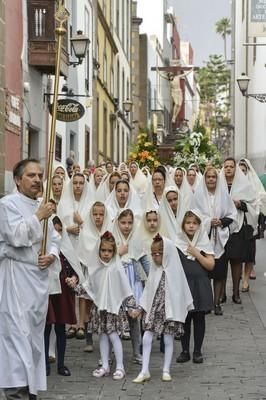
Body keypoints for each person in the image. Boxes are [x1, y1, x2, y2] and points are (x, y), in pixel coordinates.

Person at [0, 158, 60, 399]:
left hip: (37, 282)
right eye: (31, 175)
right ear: (17, 179)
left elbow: (55, 239)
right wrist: (38, 216)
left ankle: (31, 390)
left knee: (33, 339)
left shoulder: (42, 206)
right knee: (16, 336)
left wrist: (52, 255)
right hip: (15, 280)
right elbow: (16, 237)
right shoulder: (7, 205)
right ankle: (15, 391)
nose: (37, 180)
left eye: (39, 175)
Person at [70, 232, 137, 380]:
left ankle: (120, 366)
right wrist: (74, 286)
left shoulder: (116, 268)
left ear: (114, 252)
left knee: (113, 336)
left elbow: (125, 288)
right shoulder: (95, 268)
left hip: (113, 309)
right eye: (103, 250)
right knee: (102, 337)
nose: (106, 254)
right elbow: (89, 287)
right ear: (98, 250)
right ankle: (105, 365)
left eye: (109, 251)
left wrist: (132, 306)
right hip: (100, 308)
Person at [132, 235, 193, 383]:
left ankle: (166, 369)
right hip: (154, 310)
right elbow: (148, 291)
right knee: (146, 337)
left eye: (158, 254)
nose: (155, 257)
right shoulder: (154, 270)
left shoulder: (175, 271)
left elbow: (181, 292)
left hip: (169, 312)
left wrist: (183, 308)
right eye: (153, 254)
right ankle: (144, 370)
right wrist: (140, 307)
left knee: (168, 339)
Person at [192, 167, 237, 315]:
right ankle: (205, 302)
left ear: (217, 179)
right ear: (204, 179)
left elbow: (232, 214)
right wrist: (207, 221)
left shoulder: (223, 194)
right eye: (208, 177)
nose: (211, 179)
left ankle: (217, 302)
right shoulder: (198, 195)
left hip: (220, 238)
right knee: (204, 273)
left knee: (219, 273)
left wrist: (221, 221)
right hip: (204, 239)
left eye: (214, 177)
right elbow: (193, 215)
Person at [44, 216, 84, 377]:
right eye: (55, 231)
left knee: (61, 327)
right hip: (47, 291)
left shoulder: (67, 249)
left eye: (61, 230)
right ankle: (44, 363)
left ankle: (61, 364)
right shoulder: (45, 251)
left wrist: (74, 279)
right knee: (46, 328)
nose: (58, 234)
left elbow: (75, 269)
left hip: (63, 291)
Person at [176, 211, 215, 364]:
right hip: (184, 285)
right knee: (185, 319)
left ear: (199, 226)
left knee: (199, 318)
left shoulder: (203, 242)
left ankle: (197, 350)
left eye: (194, 223)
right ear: (183, 225)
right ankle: (185, 350)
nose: (191, 226)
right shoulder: (178, 243)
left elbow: (210, 265)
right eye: (188, 223)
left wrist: (196, 253)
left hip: (200, 284)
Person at [113, 209, 147, 364]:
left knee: (134, 320)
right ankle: (113, 353)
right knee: (115, 319)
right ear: (117, 223)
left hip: (133, 282)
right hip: (118, 282)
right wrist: (118, 253)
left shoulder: (137, 239)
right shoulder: (112, 239)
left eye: (129, 223)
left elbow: (144, 260)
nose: (126, 226)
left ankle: (137, 352)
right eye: (123, 223)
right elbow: (104, 260)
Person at [221, 158, 258, 304]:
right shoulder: (219, 184)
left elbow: (252, 204)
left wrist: (240, 204)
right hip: (222, 227)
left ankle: (236, 293)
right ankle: (221, 293)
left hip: (238, 227)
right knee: (221, 262)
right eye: (226, 167)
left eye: (231, 166)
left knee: (236, 261)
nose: (228, 169)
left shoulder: (244, 185)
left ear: (235, 169)